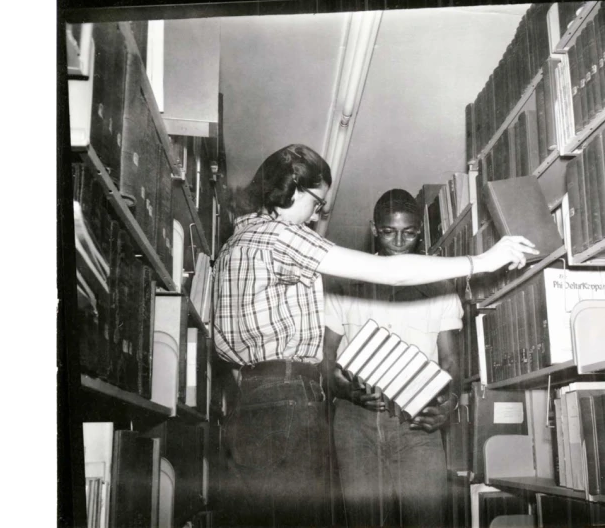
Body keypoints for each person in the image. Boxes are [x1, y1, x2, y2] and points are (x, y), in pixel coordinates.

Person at [211, 144, 537, 527]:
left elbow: (228, 353)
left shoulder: (237, 240)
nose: (317, 216)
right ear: (293, 190)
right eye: (318, 203)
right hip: (287, 401)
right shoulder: (281, 236)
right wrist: (482, 261)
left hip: (251, 402)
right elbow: (394, 273)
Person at [323, 188, 463, 528]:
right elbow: (324, 357)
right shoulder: (345, 283)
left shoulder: (441, 287)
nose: (399, 241)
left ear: (420, 231)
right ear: (374, 228)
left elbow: (450, 361)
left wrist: (450, 402)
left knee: (427, 520)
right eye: (388, 231)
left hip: (417, 424)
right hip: (356, 422)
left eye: (409, 232)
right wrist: (343, 390)